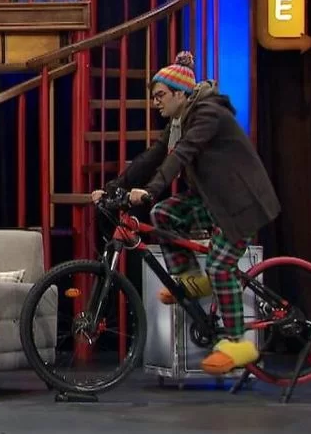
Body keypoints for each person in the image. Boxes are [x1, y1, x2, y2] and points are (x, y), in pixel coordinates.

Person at [92, 51, 280, 375]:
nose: (155, 103)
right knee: (164, 214)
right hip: (213, 201)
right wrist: (113, 188)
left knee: (220, 266)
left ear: (180, 94)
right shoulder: (179, 123)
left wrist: (150, 190)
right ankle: (192, 278)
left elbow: (181, 154)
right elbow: (153, 157)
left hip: (242, 204)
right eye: (154, 97)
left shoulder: (208, 113)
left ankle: (238, 343)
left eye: (160, 95)